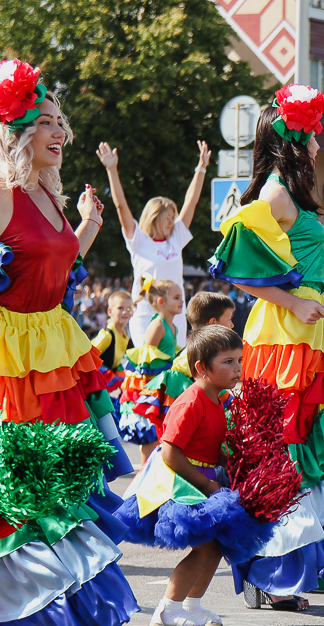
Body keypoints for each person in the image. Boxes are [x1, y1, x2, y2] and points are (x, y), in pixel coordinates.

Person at [0, 59, 138, 626]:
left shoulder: (50, 193)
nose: (58, 132)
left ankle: (60, 619)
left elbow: (52, 269)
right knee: (17, 490)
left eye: (60, 122)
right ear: (12, 132)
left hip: (56, 347)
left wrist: (90, 227)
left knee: (62, 485)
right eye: (44, 122)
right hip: (5, 353)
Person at [209, 84, 324, 607]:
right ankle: (271, 571)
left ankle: (301, 565)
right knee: (290, 445)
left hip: (311, 328)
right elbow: (236, 270)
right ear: (295, 138)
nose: (318, 143)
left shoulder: (290, 192)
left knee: (314, 444)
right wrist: (292, 305)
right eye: (313, 135)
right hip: (287, 332)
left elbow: (290, 267)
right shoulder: (273, 193)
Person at [117, 326, 246, 626]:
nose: (237, 368)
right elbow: (169, 453)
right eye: (227, 362)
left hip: (205, 479)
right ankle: (167, 609)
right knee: (204, 545)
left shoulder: (218, 400)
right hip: (181, 484)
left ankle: (192, 604)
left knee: (215, 545)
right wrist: (207, 484)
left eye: (239, 360)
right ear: (201, 367)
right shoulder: (191, 402)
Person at [97, 140, 211, 348]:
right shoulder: (138, 240)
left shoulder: (175, 238)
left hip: (175, 314)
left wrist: (201, 168)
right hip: (145, 315)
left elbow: (191, 201)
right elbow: (120, 205)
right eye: (167, 217)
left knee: (172, 370)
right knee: (148, 368)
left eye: (173, 217)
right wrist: (112, 169)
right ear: (154, 217)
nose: (171, 222)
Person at [135, 291, 237, 435]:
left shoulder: (206, 351)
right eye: (229, 320)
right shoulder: (192, 356)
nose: (232, 325)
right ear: (213, 323)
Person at [118, 278, 182, 461]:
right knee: (151, 434)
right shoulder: (158, 326)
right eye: (177, 297)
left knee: (162, 431)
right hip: (153, 386)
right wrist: (148, 394)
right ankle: (144, 476)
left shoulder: (173, 327)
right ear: (161, 302)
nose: (181, 301)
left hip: (164, 385)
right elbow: (145, 362)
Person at [91, 290, 133, 397]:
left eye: (129, 309)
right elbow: (88, 356)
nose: (125, 312)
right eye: (120, 308)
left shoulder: (124, 335)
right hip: (96, 383)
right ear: (110, 311)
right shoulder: (107, 335)